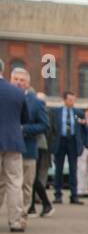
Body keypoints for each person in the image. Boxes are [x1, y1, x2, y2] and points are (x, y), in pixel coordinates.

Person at [11, 68, 49, 219]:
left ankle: (22, 214)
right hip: (7, 148)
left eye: (22, 80)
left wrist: (24, 129)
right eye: (16, 79)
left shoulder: (36, 102)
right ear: (11, 80)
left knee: (26, 185)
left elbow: (44, 125)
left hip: (28, 149)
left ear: (28, 84)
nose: (19, 83)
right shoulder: (4, 96)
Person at [0, 71, 29, 232]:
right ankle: (15, 221)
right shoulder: (17, 92)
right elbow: (25, 118)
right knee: (14, 182)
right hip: (13, 141)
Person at [50, 91, 86, 204]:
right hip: (60, 141)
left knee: (73, 169)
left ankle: (74, 195)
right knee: (58, 169)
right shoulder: (56, 112)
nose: (72, 102)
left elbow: (84, 129)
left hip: (73, 142)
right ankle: (57, 195)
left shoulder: (78, 113)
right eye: (70, 99)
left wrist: (83, 142)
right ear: (64, 100)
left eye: (74, 100)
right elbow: (51, 128)